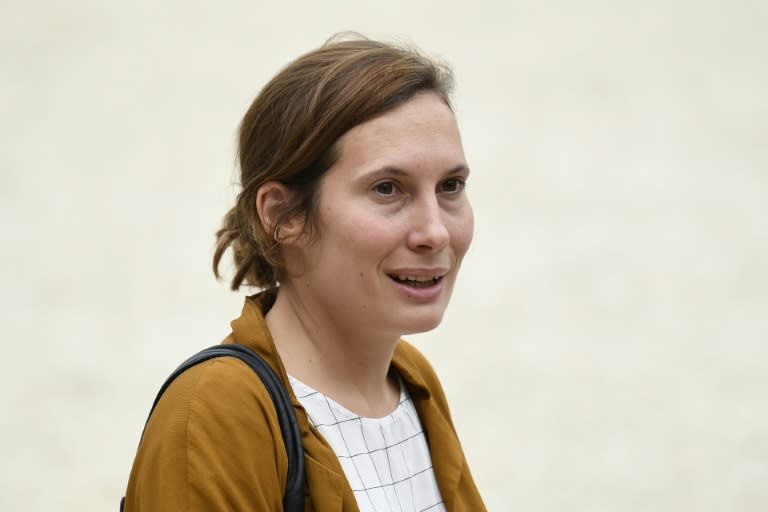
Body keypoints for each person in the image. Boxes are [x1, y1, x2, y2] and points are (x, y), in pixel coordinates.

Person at [123, 35, 486, 511]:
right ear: (282, 216)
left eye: (450, 186)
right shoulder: (217, 412)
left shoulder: (410, 381)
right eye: (386, 188)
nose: (435, 232)